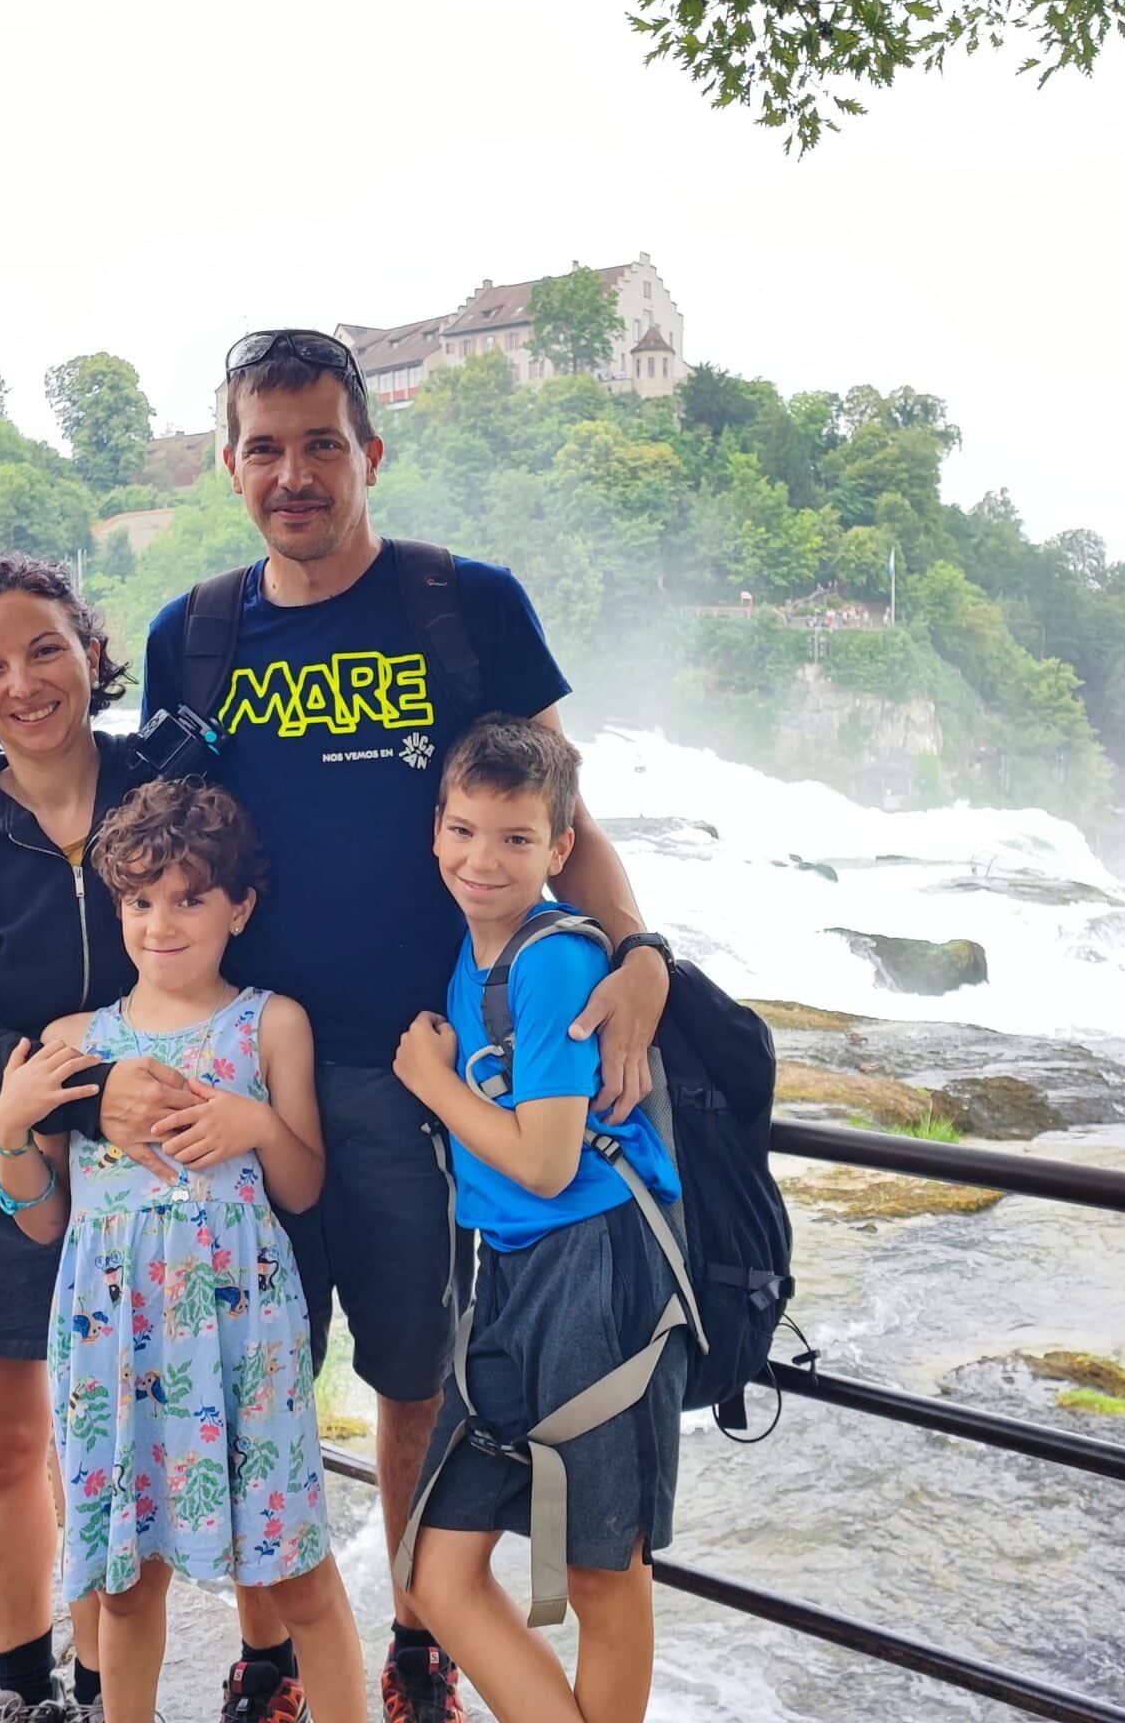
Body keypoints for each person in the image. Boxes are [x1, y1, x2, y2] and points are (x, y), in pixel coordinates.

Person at [98, 329, 672, 1723]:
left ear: (371, 452)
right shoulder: (201, 632)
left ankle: (420, 1630)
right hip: (251, 1072)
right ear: (232, 462)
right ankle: (275, 1651)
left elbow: (560, 816)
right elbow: (159, 849)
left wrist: (643, 954)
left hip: (430, 1079)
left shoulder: (465, 607)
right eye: (264, 447)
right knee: (256, 1369)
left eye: (320, 444)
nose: (293, 474)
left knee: (417, 1369)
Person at [0, 552, 200, 1722]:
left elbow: (230, 941)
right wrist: (79, 1097)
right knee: (7, 1450)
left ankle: (115, 1689)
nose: (22, 683)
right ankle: (24, 1692)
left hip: (153, 1181)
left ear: (93, 654)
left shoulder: (168, 795)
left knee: (128, 1454)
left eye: (44, 649)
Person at [0, 779, 365, 1723]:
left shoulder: (272, 1023)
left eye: (191, 898)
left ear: (239, 907)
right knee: (125, 1584)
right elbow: (43, 1217)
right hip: (115, 1340)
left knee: (296, 1568)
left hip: (247, 1338)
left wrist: (258, 1125)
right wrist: (8, 1126)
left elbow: (306, 1188)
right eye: (141, 899)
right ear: (117, 905)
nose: (164, 922)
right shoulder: (78, 1045)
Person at [389, 716, 685, 1723]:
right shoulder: (474, 955)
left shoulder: (553, 960)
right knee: (437, 1571)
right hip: (512, 1272)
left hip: (597, 1269)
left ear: (560, 851)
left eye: (515, 840)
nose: (483, 859)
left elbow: (548, 1162)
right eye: (465, 831)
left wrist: (430, 1080)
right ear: (436, 831)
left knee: (603, 1567)